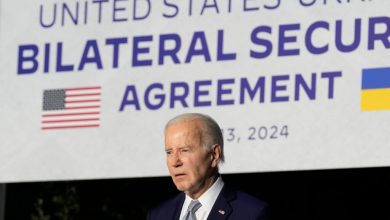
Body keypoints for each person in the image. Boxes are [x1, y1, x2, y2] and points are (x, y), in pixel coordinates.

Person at [147, 113, 270, 220]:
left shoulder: (252, 213)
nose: (175, 162)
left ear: (214, 154)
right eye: (169, 152)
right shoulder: (159, 214)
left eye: (184, 150)